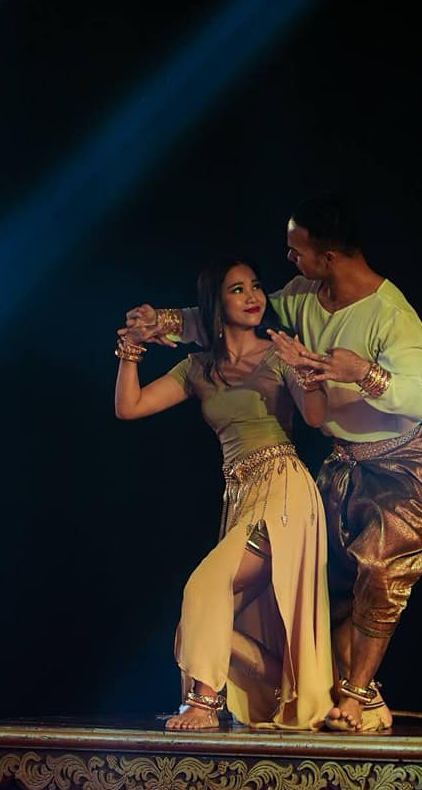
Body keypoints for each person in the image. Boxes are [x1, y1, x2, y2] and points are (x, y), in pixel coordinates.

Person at [121, 192, 422, 732]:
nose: (288, 259)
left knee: (379, 577)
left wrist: (360, 372)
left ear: (329, 256)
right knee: (331, 593)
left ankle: (355, 694)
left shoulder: (392, 317)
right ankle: (332, 695)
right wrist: (160, 322)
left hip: (398, 463)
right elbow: (227, 317)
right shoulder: (300, 297)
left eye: (297, 251)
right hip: (337, 465)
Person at [115, 259, 335, 731]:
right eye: (238, 289)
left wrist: (307, 373)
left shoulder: (278, 355)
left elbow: (316, 418)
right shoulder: (199, 368)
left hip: (283, 491)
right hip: (241, 495)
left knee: (204, 588)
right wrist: (130, 352)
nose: (253, 296)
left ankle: (204, 703)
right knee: (204, 621)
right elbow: (129, 407)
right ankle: (293, 687)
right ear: (216, 303)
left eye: (255, 286)